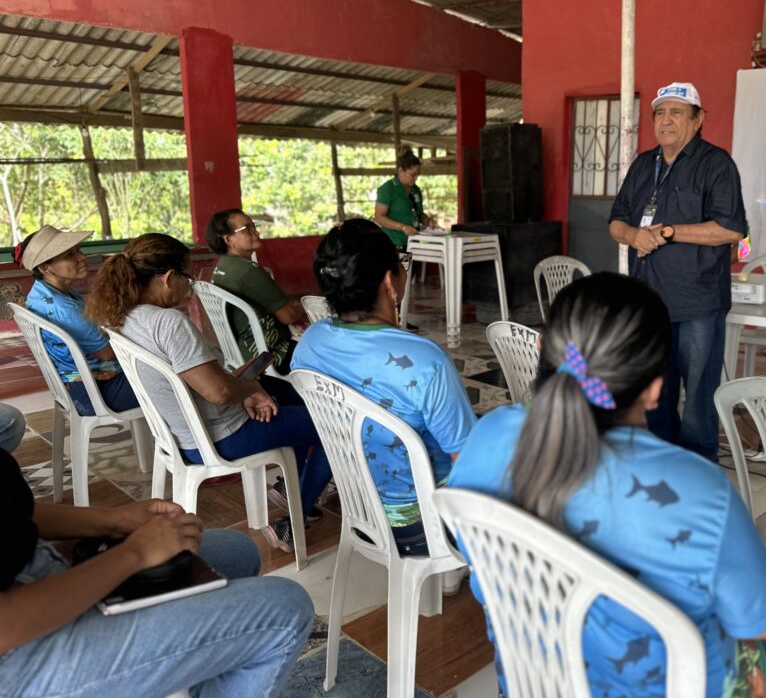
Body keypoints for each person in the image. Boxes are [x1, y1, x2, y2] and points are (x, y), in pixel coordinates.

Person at [449, 273, 766, 698]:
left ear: (541, 349)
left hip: (531, 682)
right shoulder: (699, 488)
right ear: (654, 389)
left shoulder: (488, 434)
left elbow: (465, 544)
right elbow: (765, 622)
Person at [0, 446, 314, 697]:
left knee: (237, 551)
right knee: (286, 612)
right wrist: (136, 552)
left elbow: (15, 510)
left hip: (34, 569)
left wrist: (113, 520)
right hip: (17, 653)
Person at [85, 233, 331, 553]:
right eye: (187, 277)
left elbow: (208, 383)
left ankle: (293, 490)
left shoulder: (124, 316)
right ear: (168, 277)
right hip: (221, 436)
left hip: (183, 434)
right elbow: (217, 391)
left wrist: (249, 388)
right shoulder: (169, 323)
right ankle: (292, 518)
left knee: (284, 393)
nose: (190, 285)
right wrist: (249, 390)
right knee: (332, 427)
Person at [291, 219, 475, 562]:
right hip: (423, 528)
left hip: (359, 509)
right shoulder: (425, 361)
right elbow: (467, 462)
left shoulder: (311, 343)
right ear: (390, 280)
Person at [608, 82, 747, 462]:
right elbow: (616, 223)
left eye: (677, 112)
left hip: (697, 303)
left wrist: (667, 233)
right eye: (660, 113)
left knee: (699, 396)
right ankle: (662, 465)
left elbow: (731, 229)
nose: (666, 120)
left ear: (698, 119)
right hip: (648, 303)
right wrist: (635, 234)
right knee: (656, 392)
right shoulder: (642, 164)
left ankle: (700, 472)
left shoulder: (716, 164)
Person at [15, 226, 138, 416]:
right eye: (69, 255)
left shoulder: (41, 292)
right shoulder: (65, 309)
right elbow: (107, 353)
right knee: (174, 380)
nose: (81, 257)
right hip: (95, 392)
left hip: (71, 384)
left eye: (78, 250)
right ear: (45, 267)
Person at [205, 209, 305, 404]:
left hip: (242, 353)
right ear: (228, 240)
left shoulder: (222, 267)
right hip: (272, 354)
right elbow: (288, 316)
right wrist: (300, 306)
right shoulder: (248, 272)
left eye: (254, 227)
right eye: (247, 229)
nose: (256, 233)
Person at [373, 147, 435, 249]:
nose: (416, 178)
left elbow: (418, 214)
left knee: (412, 265)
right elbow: (379, 217)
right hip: (394, 244)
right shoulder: (388, 189)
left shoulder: (416, 190)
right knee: (400, 265)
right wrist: (403, 227)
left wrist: (428, 221)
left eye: (418, 175)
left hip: (414, 242)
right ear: (400, 171)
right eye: (413, 174)